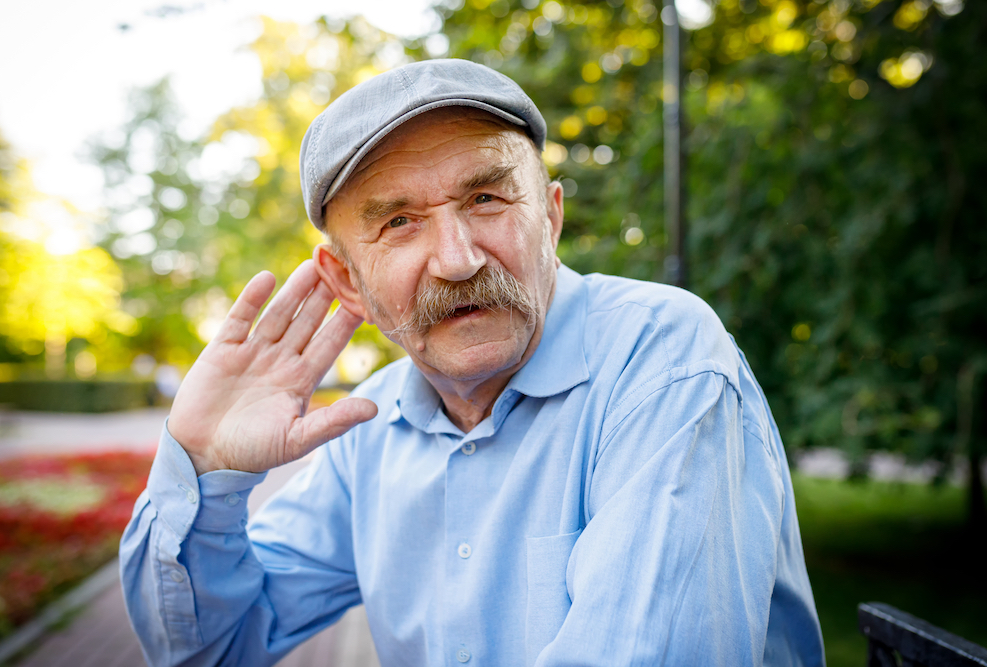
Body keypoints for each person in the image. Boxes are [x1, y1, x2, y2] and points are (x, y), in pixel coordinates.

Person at [120, 59, 825, 666]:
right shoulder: (371, 429)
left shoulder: (663, 360)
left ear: (549, 219)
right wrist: (205, 467)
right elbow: (210, 648)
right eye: (398, 222)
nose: (457, 260)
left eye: (486, 198)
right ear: (347, 283)